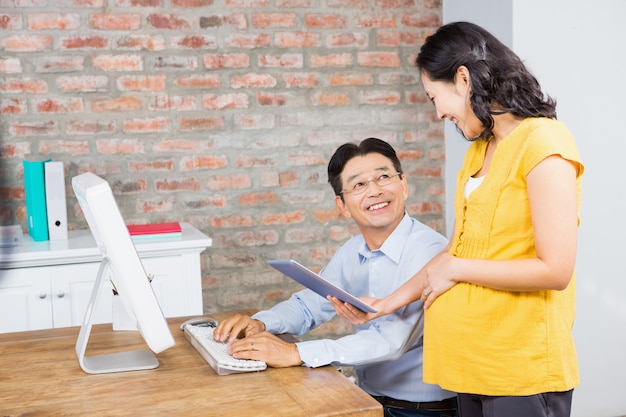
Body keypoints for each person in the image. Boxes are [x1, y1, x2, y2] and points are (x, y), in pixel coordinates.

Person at [329, 22, 584, 417]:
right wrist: (385, 304)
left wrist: (457, 268)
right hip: (470, 365)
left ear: (463, 79)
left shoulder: (543, 143)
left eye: (435, 97)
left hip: (518, 368)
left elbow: (555, 269)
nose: (438, 113)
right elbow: (456, 252)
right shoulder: (480, 150)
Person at [214, 137, 458, 417]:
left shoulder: (431, 250)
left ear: (403, 185)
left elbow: (391, 342)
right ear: (342, 204)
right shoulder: (352, 250)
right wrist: (260, 323)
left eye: (383, 177)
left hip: (423, 411)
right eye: (359, 185)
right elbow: (311, 304)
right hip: (370, 399)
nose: (375, 190)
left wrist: (295, 354)